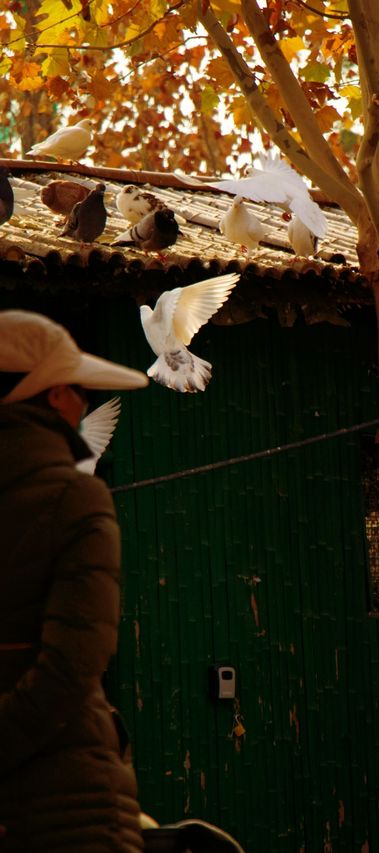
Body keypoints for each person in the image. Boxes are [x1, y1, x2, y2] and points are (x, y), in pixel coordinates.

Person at [0, 309, 148, 851]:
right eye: (76, 389)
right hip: (66, 809)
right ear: (54, 395)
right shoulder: (76, 498)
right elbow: (70, 670)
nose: (84, 402)